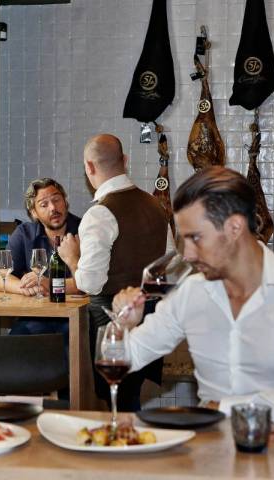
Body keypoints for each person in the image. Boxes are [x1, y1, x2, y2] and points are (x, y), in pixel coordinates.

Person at [112, 167, 274, 423]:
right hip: (208, 452)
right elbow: (125, 359)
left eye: (195, 238)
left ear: (234, 227)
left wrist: (221, 407)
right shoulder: (191, 292)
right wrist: (122, 325)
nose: (188, 255)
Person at [58, 133, 172, 411]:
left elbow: (90, 283)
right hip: (152, 318)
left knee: (114, 402)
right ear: (125, 160)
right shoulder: (156, 205)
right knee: (130, 401)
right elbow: (169, 264)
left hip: (110, 321)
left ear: (89, 167)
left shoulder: (99, 214)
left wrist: (72, 258)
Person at [0, 178, 81, 337]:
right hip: (37, 316)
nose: (53, 208)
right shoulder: (24, 233)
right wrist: (25, 286)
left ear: (65, 201)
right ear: (34, 213)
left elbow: (89, 284)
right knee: (12, 346)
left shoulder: (84, 230)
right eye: (44, 204)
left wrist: (47, 283)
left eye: (56, 200)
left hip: (75, 316)